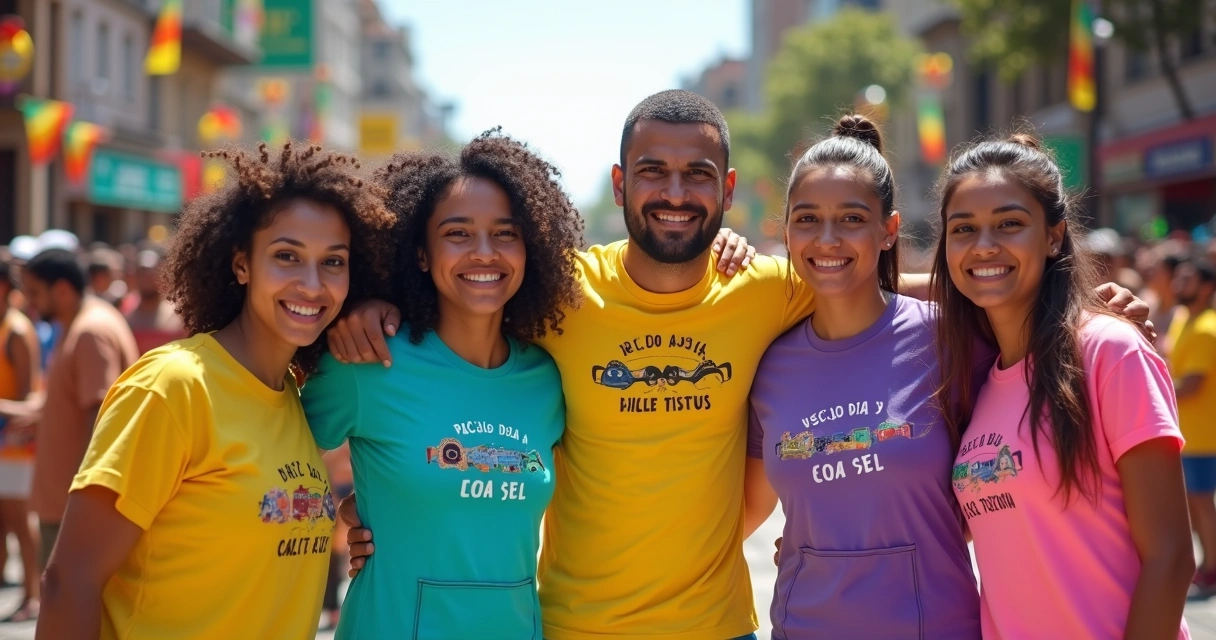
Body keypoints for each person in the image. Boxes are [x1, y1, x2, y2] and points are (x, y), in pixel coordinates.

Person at [331, 92, 1151, 640]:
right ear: (620, 183)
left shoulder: (762, 287)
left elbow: (858, 274)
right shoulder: (560, 293)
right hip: (577, 626)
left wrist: (1072, 305)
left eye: (696, 175)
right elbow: (459, 280)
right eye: (652, 171)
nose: (674, 192)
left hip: (724, 626)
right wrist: (372, 302)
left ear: (725, 189)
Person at [35, 142, 397, 640]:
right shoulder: (173, 387)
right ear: (242, 265)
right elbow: (67, 582)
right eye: (287, 256)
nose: (312, 284)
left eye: (333, 262)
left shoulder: (294, 397)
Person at [300, 130, 584, 638]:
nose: (484, 252)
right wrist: (337, 513)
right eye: (457, 234)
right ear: (421, 254)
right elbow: (270, 462)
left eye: (505, 233)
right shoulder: (368, 361)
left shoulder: (548, 379)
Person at [936, 132, 1192, 638]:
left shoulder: (1109, 352)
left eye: (1010, 224)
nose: (984, 246)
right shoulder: (976, 381)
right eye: (963, 229)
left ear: (1054, 236)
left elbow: (1171, 557)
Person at [744, 115, 981, 638]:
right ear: (785, 232)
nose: (826, 239)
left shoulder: (950, 342)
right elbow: (743, 513)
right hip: (802, 625)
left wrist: (1098, 306)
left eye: (851, 219)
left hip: (934, 626)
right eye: (807, 220)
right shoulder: (769, 366)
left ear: (888, 230)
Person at [0, 248, 138, 577]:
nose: (29, 302)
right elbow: (61, 404)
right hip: (63, 504)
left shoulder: (90, 331)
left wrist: (84, 501)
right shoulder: (79, 323)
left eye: (34, 292)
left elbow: (102, 416)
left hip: (72, 511)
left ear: (61, 289)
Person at [1167, 257, 1216, 594]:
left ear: (1206, 287)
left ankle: (1212, 568)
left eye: (1187, 279)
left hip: (1204, 435)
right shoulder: (1183, 318)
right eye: (1179, 277)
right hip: (1187, 435)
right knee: (1194, 503)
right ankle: (1207, 564)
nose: (1178, 283)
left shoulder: (1206, 328)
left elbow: (1193, 384)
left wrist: (1148, 390)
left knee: (1201, 503)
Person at [0, 257, 42, 623]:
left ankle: (33, 594)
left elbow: (31, 398)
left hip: (15, 443)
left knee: (18, 518)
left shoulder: (17, 331)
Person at [123, 249, 186, 354]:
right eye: (143, 272)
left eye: (153, 272)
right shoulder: (126, 319)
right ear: (135, 276)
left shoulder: (179, 316)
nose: (148, 276)